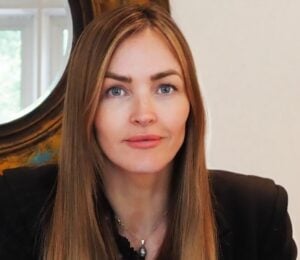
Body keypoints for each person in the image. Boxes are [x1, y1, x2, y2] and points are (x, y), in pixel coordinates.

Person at [0, 3, 297, 260]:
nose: (144, 114)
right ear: (86, 109)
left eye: (165, 88)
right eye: (116, 91)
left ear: (190, 103)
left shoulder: (257, 213)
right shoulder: (17, 206)